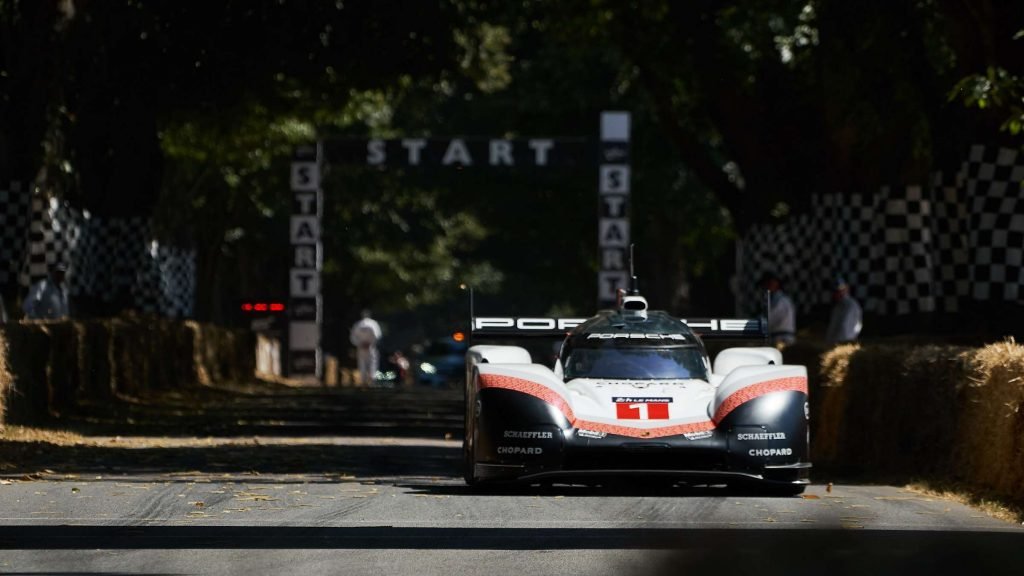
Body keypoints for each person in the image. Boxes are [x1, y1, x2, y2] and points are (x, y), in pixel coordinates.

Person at [760, 271, 795, 347]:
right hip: (777, 338)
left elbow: (770, 319)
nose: (768, 285)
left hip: (782, 340)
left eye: (770, 282)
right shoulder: (773, 299)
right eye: (766, 283)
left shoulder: (781, 300)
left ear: (777, 283)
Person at [825, 277, 863, 345]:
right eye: (836, 291)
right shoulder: (837, 307)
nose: (839, 293)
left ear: (846, 289)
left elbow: (856, 326)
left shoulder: (852, 306)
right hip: (834, 344)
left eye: (841, 290)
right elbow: (832, 327)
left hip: (845, 344)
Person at [349, 309, 382, 386]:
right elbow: (377, 335)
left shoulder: (358, 324)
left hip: (361, 348)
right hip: (370, 348)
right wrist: (371, 343)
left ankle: (363, 382)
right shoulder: (373, 324)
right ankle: (372, 382)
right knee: (372, 364)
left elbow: (352, 337)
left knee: (362, 364)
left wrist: (359, 343)